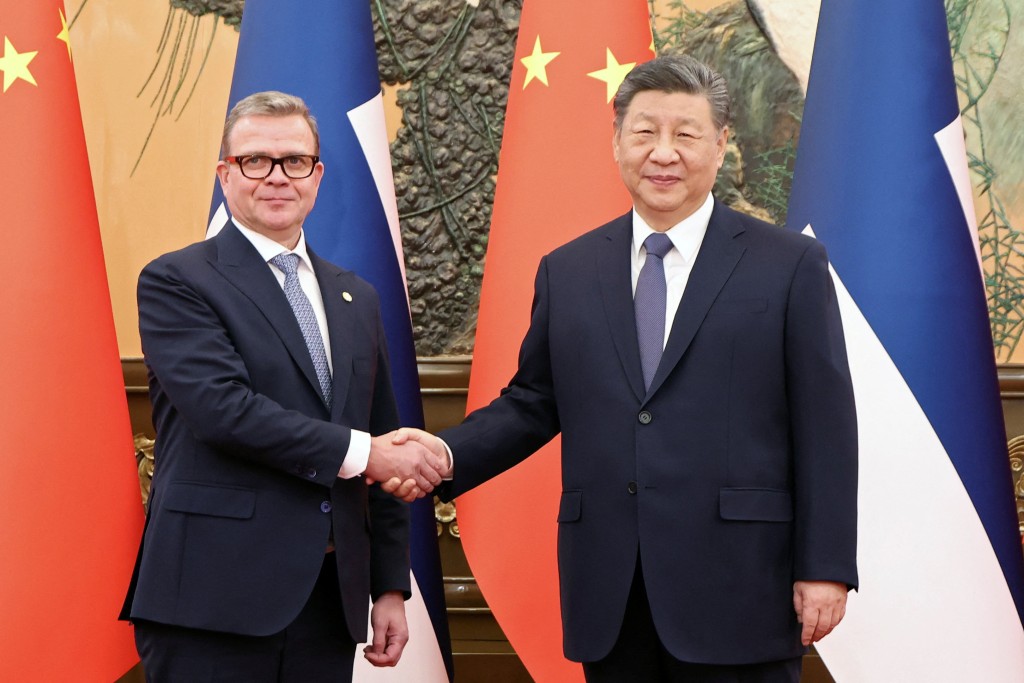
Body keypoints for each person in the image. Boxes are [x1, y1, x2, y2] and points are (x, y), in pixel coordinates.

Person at [393, 55, 858, 682]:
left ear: (721, 146)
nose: (663, 152)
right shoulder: (570, 269)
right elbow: (534, 401)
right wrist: (444, 456)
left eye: (685, 134)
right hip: (612, 589)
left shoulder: (789, 265)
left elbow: (825, 425)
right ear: (616, 143)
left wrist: (825, 566)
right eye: (644, 132)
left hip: (742, 583)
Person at [119, 91, 447, 682]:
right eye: (255, 160)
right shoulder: (177, 280)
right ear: (225, 175)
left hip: (327, 600)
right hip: (212, 601)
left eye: (294, 161)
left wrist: (390, 585)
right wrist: (367, 453)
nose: (276, 177)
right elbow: (224, 411)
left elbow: (383, 436)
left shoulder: (357, 297)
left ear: (316, 176)